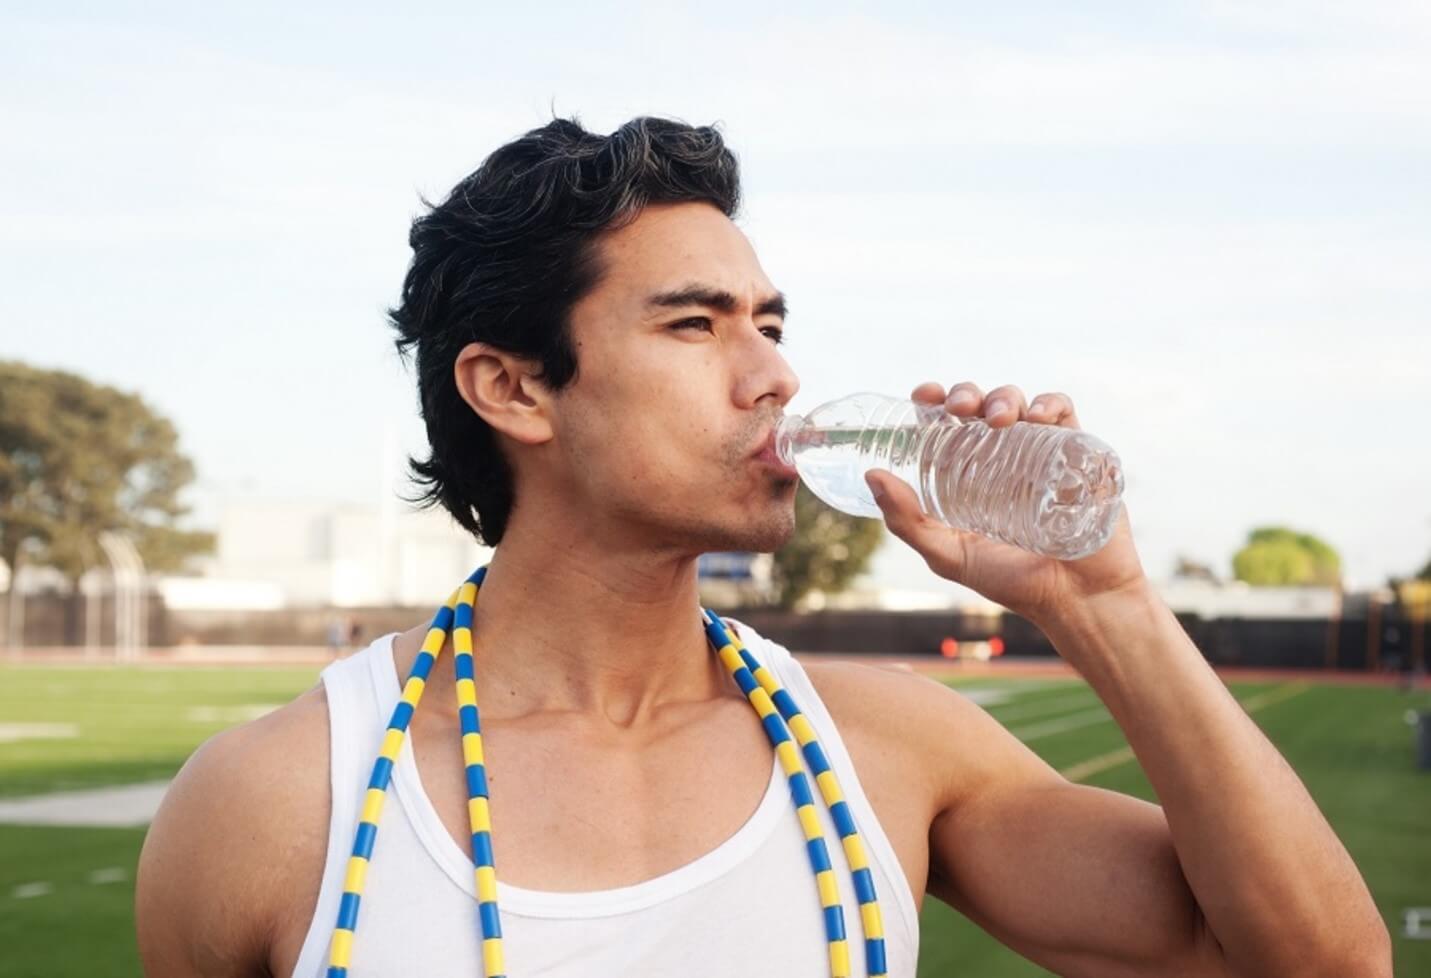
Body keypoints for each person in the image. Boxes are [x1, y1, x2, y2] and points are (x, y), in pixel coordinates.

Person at [134, 116, 1390, 977]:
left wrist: (1102, 603)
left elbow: (1317, 964)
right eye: (696, 326)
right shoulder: (277, 804)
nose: (776, 375)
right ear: (514, 390)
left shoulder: (886, 746)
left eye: (772, 323)